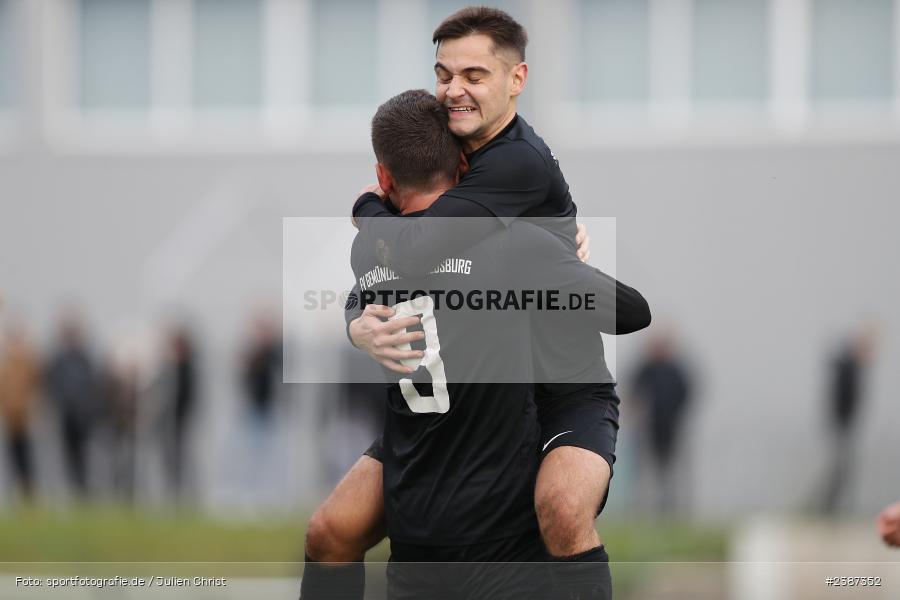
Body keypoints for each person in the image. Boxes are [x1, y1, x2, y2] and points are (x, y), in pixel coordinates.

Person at [306, 8, 640, 600]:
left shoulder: (515, 161)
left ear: (517, 79)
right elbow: (395, 267)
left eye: (474, 75)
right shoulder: (446, 144)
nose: (454, 89)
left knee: (562, 510)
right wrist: (357, 321)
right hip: (467, 396)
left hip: (559, 390)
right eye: (444, 74)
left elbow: (416, 247)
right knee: (331, 530)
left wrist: (367, 209)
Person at [630, 330, 693, 515]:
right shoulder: (646, 369)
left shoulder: (675, 370)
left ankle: (670, 508)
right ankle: (643, 509)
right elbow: (635, 393)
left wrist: (676, 413)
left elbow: (686, 393)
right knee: (644, 471)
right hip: (648, 429)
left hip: (671, 429)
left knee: (671, 470)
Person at [0, 323, 41, 501]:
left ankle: (30, 491)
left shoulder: (28, 364)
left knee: (28, 457)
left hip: (26, 420)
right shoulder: (5, 366)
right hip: (10, 420)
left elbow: (37, 387)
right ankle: (17, 491)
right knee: (12, 457)